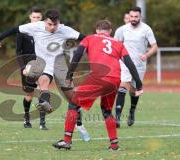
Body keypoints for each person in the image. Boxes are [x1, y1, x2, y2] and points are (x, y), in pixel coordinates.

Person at [0, 9, 90, 141]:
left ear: (59, 23)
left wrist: (95, 49)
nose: (52, 27)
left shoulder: (65, 30)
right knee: (43, 81)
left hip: (59, 64)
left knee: (72, 99)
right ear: (45, 21)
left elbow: (85, 38)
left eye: (54, 25)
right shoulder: (36, 27)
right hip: (43, 63)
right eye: (49, 24)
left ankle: (79, 124)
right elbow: (15, 29)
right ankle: (45, 102)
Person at [53, 19, 143, 151]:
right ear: (110, 31)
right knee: (106, 110)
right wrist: (139, 84)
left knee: (73, 103)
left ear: (97, 30)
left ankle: (66, 141)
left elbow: (78, 54)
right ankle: (114, 145)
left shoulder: (90, 38)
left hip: (98, 77)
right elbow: (129, 63)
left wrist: (69, 74)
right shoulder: (118, 44)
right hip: (114, 79)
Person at [0, 7, 48, 129]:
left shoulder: (45, 31)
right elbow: (19, 52)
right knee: (29, 94)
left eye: (38, 17)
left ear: (42, 19)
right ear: (30, 17)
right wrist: (23, 67)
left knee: (42, 91)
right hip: (27, 67)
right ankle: (27, 117)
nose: (36, 19)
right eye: (34, 17)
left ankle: (42, 123)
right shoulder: (22, 31)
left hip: (41, 64)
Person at [114, 7, 158, 128]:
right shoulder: (122, 29)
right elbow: (115, 45)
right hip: (125, 63)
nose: (133, 19)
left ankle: (132, 111)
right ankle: (117, 118)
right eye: (131, 16)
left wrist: (146, 55)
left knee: (134, 90)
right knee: (122, 86)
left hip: (139, 65)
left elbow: (154, 46)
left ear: (140, 17)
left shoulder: (146, 29)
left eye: (136, 17)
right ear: (129, 16)